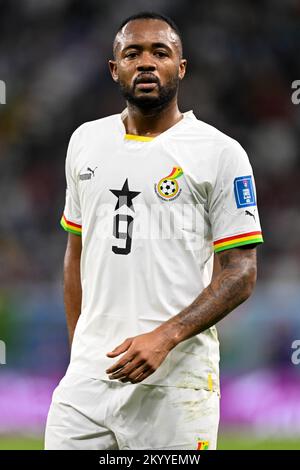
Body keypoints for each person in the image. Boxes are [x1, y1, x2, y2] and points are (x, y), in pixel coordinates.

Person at [44, 11, 263, 450]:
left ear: (180, 67)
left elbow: (241, 272)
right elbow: (76, 253)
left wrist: (166, 337)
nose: (146, 62)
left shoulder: (221, 153)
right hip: (86, 384)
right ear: (114, 69)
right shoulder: (85, 141)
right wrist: (80, 351)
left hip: (175, 385)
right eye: (132, 53)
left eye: (160, 52)